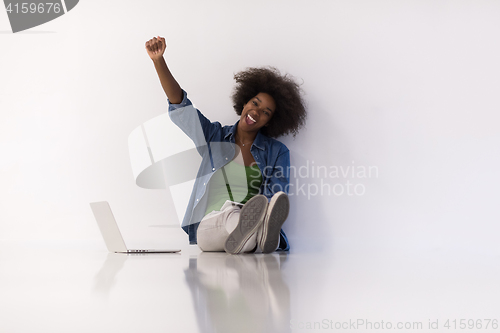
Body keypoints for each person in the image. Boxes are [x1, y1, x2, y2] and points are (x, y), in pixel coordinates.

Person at [145, 36, 307, 254]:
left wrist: (264, 210)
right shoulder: (213, 137)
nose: (256, 112)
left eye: (265, 112)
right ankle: (264, 236)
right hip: (211, 226)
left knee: (249, 219)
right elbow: (182, 107)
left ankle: (257, 234)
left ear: (270, 121)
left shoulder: (277, 152)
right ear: (245, 102)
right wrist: (158, 61)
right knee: (233, 217)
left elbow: (276, 193)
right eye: (255, 103)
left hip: (250, 218)